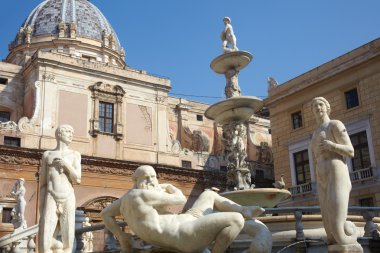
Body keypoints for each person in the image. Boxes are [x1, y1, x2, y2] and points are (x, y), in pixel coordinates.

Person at [101, 165, 264, 253]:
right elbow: (180, 199)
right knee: (235, 220)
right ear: (136, 181)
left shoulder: (126, 199)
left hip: (186, 221)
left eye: (153, 177)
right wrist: (169, 186)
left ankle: (244, 209)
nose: (151, 181)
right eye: (146, 178)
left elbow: (105, 214)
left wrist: (121, 236)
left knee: (209, 194)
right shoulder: (142, 195)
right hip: (185, 235)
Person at [310, 97, 362, 248]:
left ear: (327, 107)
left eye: (320, 104)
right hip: (322, 177)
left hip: (336, 172)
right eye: (314, 106)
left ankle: (350, 243)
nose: (318, 107)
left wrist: (332, 146)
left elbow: (350, 150)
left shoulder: (335, 125)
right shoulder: (315, 134)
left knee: (337, 223)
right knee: (328, 228)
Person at [38, 125, 82, 253]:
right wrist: (42, 206)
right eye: (68, 132)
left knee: (68, 235)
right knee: (46, 234)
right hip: (51, 195)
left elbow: (78, 179)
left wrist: (66, 164)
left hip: (68, 196)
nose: (71, 135)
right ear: (59, 134)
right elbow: (43, 183)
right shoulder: (47, 155)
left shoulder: (75, 155)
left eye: (71, 132)